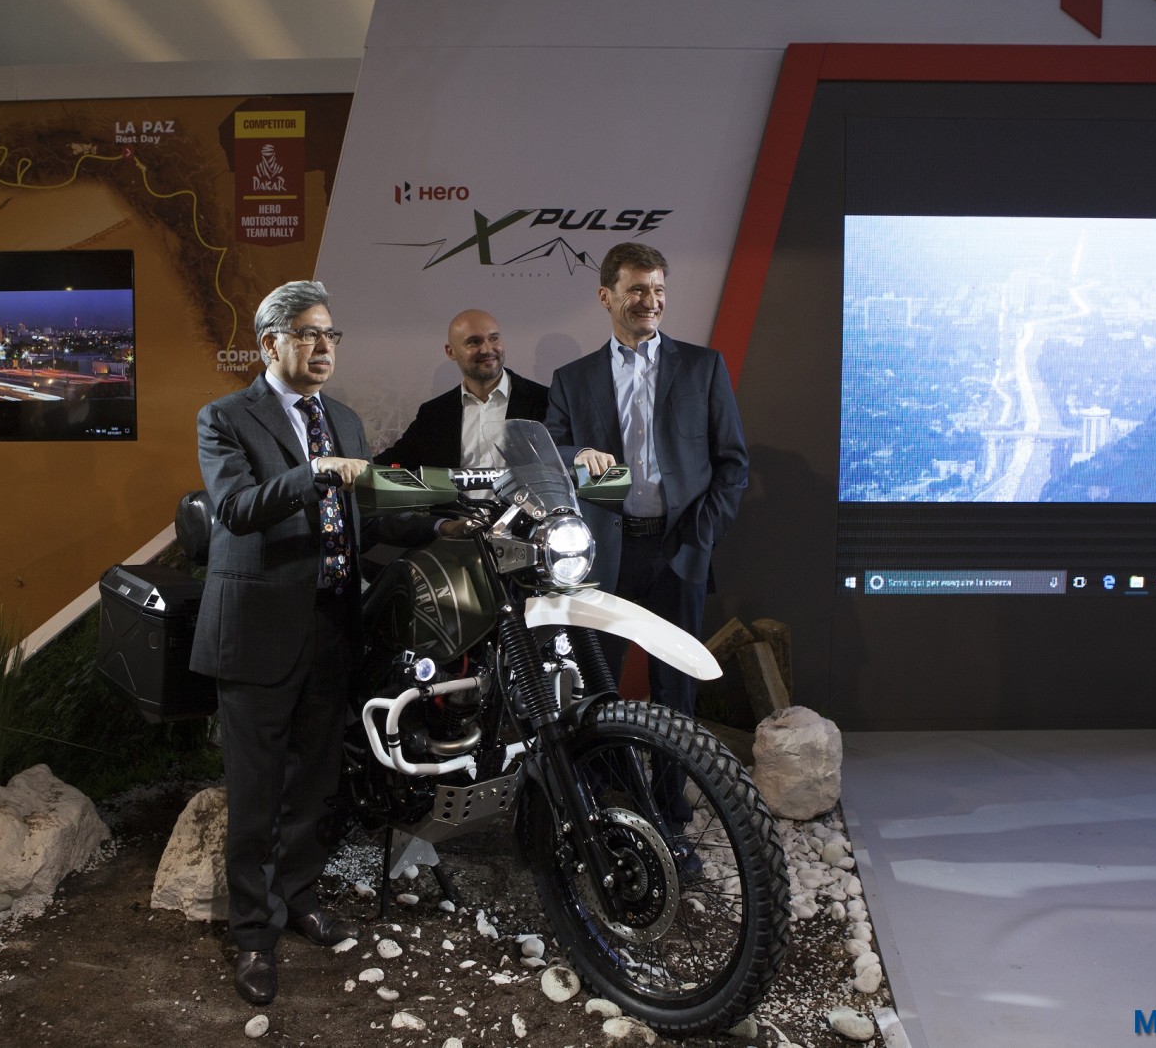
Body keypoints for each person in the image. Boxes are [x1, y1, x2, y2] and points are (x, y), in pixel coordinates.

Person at [189, 280, 440, 1007]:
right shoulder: (225, 417)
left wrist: (438, 525)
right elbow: (236, 508)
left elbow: (372, 519)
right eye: (310, 333)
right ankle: (253, 935)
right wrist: (314, 473)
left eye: (332, 334)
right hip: (257, 633)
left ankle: (297, 897)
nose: (325, 346)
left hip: (333, 625)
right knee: (257, 791)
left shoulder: (347, 421)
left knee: (315, 784)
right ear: (271, 343)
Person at [544, 242, 748, 830]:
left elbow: (732, 464)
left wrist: (700, 537)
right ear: (606, 296)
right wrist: (576, 454)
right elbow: (551, 455)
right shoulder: (573, 378)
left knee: (676, 693)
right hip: (605, 554)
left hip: (677, 550)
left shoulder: (703, 368)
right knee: (597, 690)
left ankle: (670, 811)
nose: (650, 301)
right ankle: (603, 811)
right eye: (637, 289)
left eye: (658, 289)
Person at [375, 308, 549, 471]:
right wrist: (359, 465)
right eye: (474, 342)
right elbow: (394, 461)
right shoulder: (433, 415)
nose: (487, 349)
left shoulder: (546, 402)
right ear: (451, 352)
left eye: (493, 338)